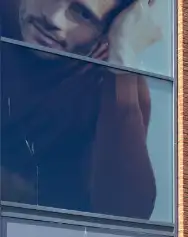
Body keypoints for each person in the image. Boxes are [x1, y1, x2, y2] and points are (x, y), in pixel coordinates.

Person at [0, 0, 161, 218]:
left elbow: (126, 215)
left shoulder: (113, 82)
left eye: (83, 14)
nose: (53, 18)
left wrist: (122, 57)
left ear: (110, 29)